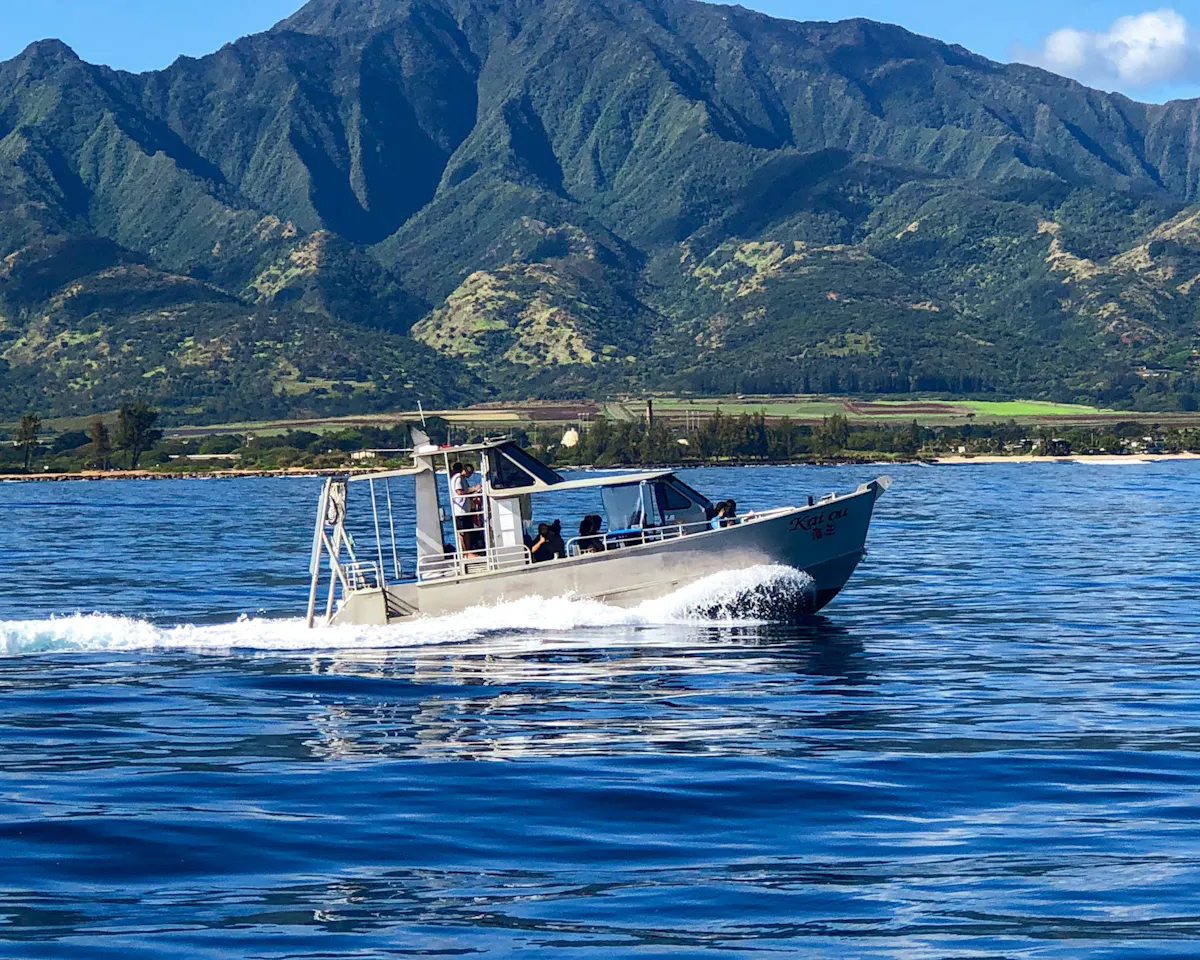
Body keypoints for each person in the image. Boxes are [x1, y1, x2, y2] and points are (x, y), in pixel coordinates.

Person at [451, 462, 483, 557]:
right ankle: (465, 553)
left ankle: (468, 551)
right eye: (469, 472)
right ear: (464, 470)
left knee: (468, 531)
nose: (470, 474)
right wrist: (473, 489)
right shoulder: (458, 478)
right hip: (461, 510)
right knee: (463, 532)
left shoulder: (462, 479)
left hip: (465, 509)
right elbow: (459, 492)